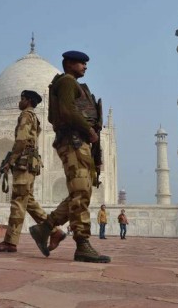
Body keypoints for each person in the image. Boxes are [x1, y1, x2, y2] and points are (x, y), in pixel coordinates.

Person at [29, 50, 110, 263]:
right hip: (73, 142)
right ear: (69, 64)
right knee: (81, 193)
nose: (85, 66)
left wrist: (96, 152)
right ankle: (82, 244)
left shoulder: (76, 85)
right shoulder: (66, 82)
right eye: (81, 63)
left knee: (80, 192)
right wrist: (88, 130)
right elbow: (66, 112)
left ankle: (44, 228)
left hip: (79, 143)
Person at [0, 90, 66, 253]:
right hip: (31, 163)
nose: (20, 101)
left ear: (29, 101)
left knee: (17, 201)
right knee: (27, 200)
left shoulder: (25, 115)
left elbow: (21, 140)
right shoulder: (35, 118)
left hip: (23, 162)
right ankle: (54, 231)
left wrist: (10, 161)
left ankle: (10, 242)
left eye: (22, 99)